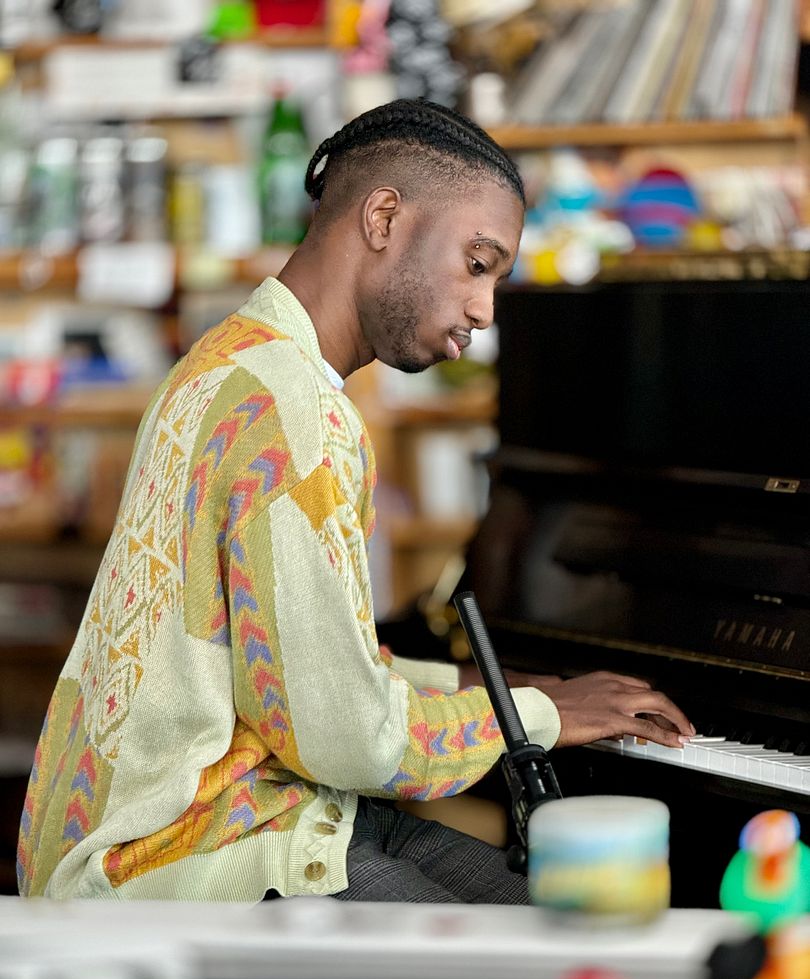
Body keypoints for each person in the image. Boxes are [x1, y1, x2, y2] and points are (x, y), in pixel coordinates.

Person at [17, 99, 693, 904]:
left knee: (541, 917)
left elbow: (297, 677)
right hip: (187, 852)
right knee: (553, 953)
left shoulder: (233, 360)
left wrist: (482, 691)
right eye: (478, 265)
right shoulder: (291, 413)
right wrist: (538, 713)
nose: (484, 310)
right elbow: (350, 739)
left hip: (275, 806)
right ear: (383, 217)